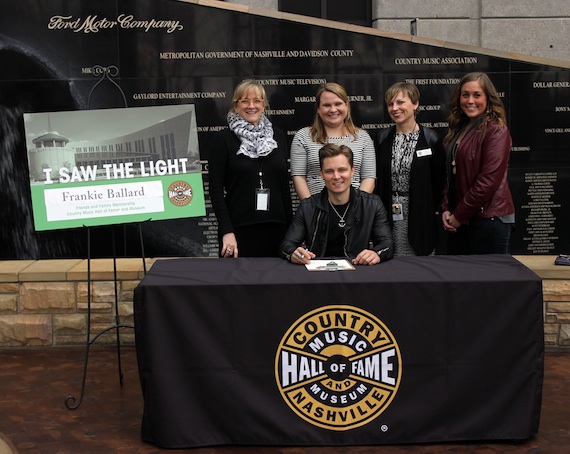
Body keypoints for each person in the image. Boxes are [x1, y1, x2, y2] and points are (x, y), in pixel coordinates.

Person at [209, 79, 292, 258]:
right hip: (238, 231)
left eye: (257, 101)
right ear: (236, 106)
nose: (251, 106)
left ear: (264, 105)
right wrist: (226, 231)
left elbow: (284, 186)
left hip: (277, 229)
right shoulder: (223, 139)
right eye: (245, 101)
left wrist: (293, 232)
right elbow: (215, 190)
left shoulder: (278, 136)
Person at [280, 143, 394, 266]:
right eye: (329, 171)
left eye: (342, 170)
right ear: (321, 174)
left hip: (359, 269)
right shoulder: (308, 207)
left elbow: (387, 244)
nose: (336, 176)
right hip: (317, 273)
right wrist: (295, 253)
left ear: (352, 171)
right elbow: (286, 245)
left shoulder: (372, 204)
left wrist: (376, 253)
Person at [441, 72, 515, 254]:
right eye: (465, 95)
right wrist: (446, 208)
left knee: (490, 282)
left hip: (490, 220)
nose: (470, 100)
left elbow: (488, 181)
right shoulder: (460, 128)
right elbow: (450, 175)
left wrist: (459, 214)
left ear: (488, 99)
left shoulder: (496, 130)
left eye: (477, 95)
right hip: (461, 220)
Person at [375, 82, 446, 256]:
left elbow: (439, 180)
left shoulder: (431, 139)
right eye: (390, 104)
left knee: (419, 263)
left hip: (421, 212)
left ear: (415, 104)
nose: (394, 108)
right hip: (388, 213)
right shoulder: (382, 138)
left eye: (400, 102)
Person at [290, 82, 376, 200]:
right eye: (327, 105)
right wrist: (311, 209)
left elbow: (369, 178)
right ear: (318, 109)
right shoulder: (303, 137)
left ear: (347, 105)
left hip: (356, 212)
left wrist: (357, 207)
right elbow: (298, 177)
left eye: (338, 104)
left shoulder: (363, 138)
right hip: (316, 211)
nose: (333, 109)